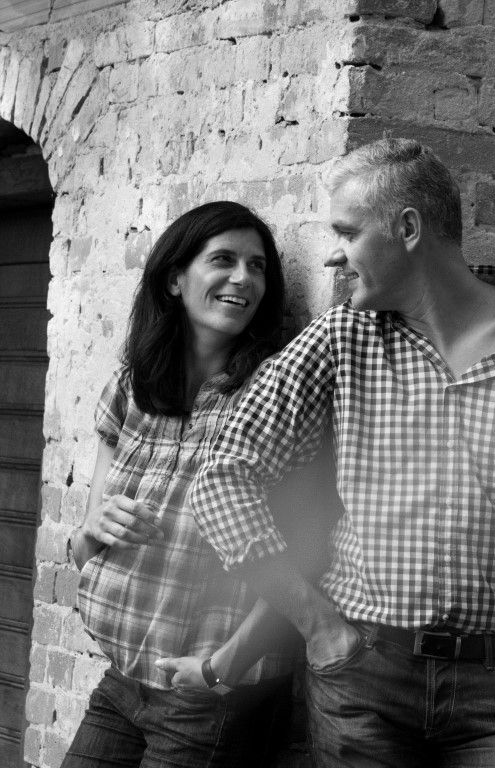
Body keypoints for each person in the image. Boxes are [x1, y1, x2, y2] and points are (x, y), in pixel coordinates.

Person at [189, 139, 495, 767]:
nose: (333, 255)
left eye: (347, 232)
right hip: (362, 679)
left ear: (408, 228)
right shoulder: (344, 338)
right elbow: (223, 475)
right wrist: (316, 623)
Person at [63, 201, 313, 768]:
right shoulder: (133, 387)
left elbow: (305, 550)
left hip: (211, 695)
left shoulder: (274, 397)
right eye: (222, 260)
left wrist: (223, 666)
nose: (243, 279)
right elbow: (83, 552)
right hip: (123, 678)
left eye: (257, 266)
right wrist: (94, 528)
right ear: (175, 279)